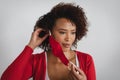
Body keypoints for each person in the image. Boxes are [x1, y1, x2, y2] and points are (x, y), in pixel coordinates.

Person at [1, 2, 96, 80]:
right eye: (62, 32)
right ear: (50, 32)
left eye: (73, 32)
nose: (68, 38)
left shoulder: (86, 60)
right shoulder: (37, 61)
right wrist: (30, 46)